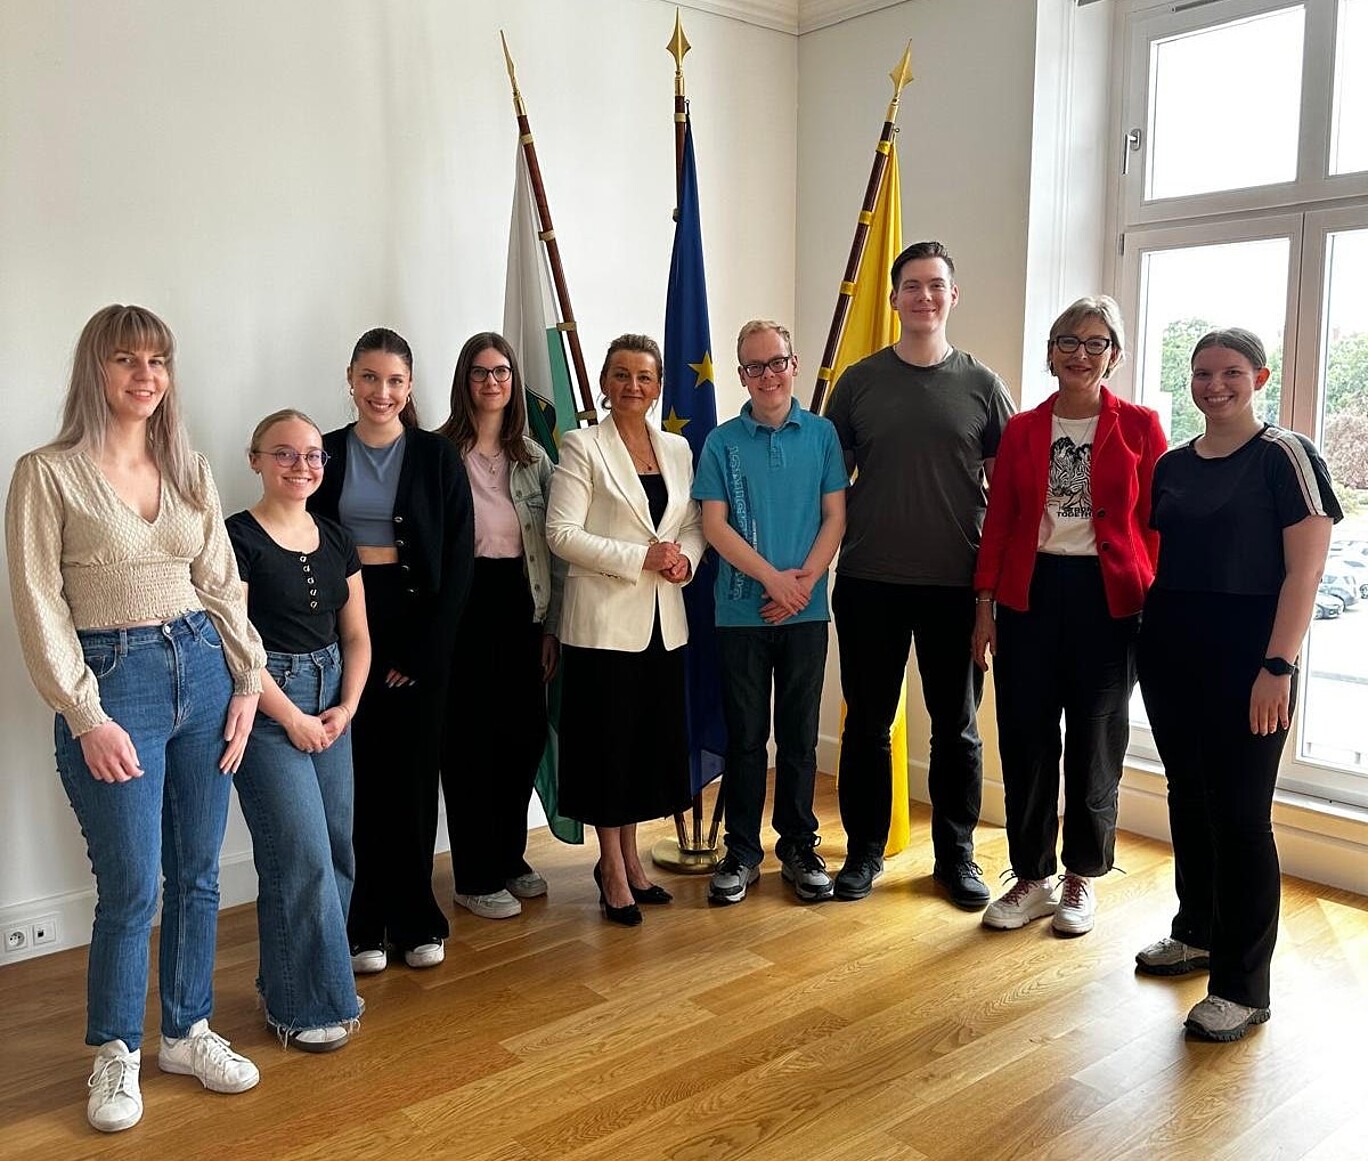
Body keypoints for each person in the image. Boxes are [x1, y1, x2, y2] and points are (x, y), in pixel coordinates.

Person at [5, 305, 264, 1133]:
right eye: (126, 359)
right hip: (114, 682)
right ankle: (115, 1049)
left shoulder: (187, 465)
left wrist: (248, 678)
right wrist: (85, 712)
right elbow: (39, 602)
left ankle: (186, 1032)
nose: (145, 375)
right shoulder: (46, 474)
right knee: (131, 885)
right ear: (96, 369)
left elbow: (219, 579)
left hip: (204, 671)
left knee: (198, 872)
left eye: (158, 360)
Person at [1135, 328, 1338, 1042]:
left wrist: (1277, 666)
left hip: (1251, 655)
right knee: (1188, 795)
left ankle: (1243, 987)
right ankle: (1195, 931)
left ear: (1260, 378)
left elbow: (1306, 572)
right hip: (1170, 649)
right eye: (1202, 373)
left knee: (1242, 815)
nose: (1214, 386)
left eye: (1230, 373)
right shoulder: (1172, 463)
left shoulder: (1285, 455)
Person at [824, 240, 1015, 906]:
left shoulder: (983, 386)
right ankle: (864, 852)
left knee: (956, 729)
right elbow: (827, 485)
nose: (924, 296)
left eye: (936, 285)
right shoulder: (859, 383)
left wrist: (993, 593)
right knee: (867, 725)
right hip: (869, 580)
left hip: (956, 588)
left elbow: (1008, 495)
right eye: (912, 285)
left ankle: (956, 859)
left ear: (952, 296)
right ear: (894, 298)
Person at [972, 297, 1166, 936]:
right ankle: (1031, 876)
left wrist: (1154, 598)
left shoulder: (1139, 426)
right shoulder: (1023, 429)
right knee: (1026, 737)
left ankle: (1082, 874)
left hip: (1107, 601)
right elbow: (1000, 522)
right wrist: (984, 606)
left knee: (1095, 738)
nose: (1080, 354)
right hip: (1029, 594)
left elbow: (1156, 524)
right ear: (1051, 353)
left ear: (1114, 355)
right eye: (1068, 342)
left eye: (1095, 342)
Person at [308, 328, 474, 972]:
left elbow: (458, 560)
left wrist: (426, 652)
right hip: (342, 625)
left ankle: (415, 917)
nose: (382, 392)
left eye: (395, 381)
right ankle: (363, 922)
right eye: (370, 378)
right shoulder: (322, 452)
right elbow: (303, 541)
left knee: (412, 779)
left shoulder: (437, 456)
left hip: (418, 626)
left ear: (410, 387)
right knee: (355, 781)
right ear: (351, 379)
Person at [545, 334, 704, 926]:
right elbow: (561, 533)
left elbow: (692, 523)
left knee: (642, 750)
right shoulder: (581, 445)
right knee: (607, 752)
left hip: (663, 624)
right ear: (604, 384)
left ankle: (633, 861)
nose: (632, 385)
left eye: (644, 376)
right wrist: (643, 557)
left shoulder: (679, 448)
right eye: (621, 374)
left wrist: (685, 560)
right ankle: (610, 868)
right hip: (602, 627)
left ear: (658, 386)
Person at [227, 409, 370, 1050]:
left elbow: (357, 636)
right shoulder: (236, 538)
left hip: (332, 700)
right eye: (284, 453)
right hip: (266, 708)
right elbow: (238, 645)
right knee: (300, 856)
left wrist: (348, 707)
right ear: (256, 459)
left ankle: (293, 982)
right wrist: (292, 718)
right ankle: (307, 1007)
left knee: (337, 851)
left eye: (312, 455)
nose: (301, 466)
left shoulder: (337, 538)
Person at [692, 320, 847, 905]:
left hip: (804, 612)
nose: (768, 375)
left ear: (794, 364)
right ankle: (741, 852)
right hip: (741, 612)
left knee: (801, 738)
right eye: (754, 367)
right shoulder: (721, 442)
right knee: (747, 738)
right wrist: (773, 581)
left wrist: (800, 585)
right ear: (741, 375)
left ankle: (799, 848)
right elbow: (714, 526)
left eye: (776, 362)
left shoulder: (823, 435)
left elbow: (835, 516)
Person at [435, 333, 563, 921]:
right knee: (468, 744)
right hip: (462, 608)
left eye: (502, 372)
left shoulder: (534, 458)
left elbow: (553, 549)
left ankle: (509, 856)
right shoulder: (438, 453)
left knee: (523, 736)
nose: (492, 382)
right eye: (481, 372)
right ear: (465, 380)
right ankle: (474, 874)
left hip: (521, 601)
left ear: (514, 382)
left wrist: (550, 627)